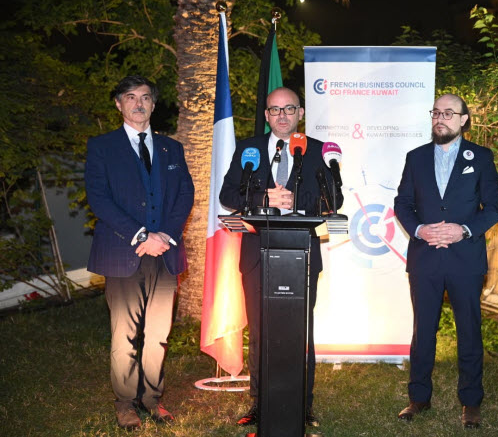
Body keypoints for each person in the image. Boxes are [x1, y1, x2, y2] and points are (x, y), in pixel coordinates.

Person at [219, 87, 341, 428]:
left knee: (300, 331)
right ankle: (260, 403)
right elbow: (228, 194)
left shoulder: (317, 151)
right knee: (260, 332)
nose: (282, 115)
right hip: (257, 255)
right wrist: (264, 199)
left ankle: (303, 405)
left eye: (289, 109)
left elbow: (334, 199)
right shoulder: (249, 149)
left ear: (300, 113)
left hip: (302, 253)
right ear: (266, 115)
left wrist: (296, 202)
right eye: (275, 110)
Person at [85, 76, 194, 429]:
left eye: (145, 97)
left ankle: (151, 398)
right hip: (123, 253)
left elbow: (185, 195)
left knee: (158, 334)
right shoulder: (102, 147)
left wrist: (165, 235)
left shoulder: (171, 148)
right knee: (125, 335)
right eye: (130, 97)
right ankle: (125, 402)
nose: (138, 103)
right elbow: (99, 199)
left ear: (153, 104)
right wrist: (142, 235)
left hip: (165, 254)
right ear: (119, 104)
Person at [394, 93, 498, 429]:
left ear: (463, 119)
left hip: (465, 258)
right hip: (425, 257)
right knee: (423, 330)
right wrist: (420, 230)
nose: (440, 119)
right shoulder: (416, 157)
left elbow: (495, 206)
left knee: (469, 331)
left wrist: (464, 230)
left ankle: (471, 402)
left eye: (448, 113)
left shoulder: (481, 157)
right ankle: (418, 397)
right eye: (436, 113)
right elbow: (402, 203)